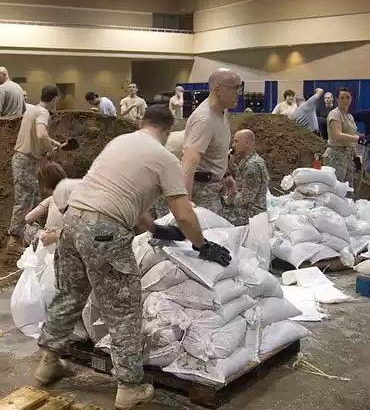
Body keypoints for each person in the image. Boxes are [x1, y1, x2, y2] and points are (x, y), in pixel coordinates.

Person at [34, 105, 231, 410]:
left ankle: (48, 362)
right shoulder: (165, 158)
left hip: (72, 221)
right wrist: (201, 244)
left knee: (70, 295)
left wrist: (153, 228)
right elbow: (184, 213)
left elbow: (115, 194)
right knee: (123, 307)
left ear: (143, 123)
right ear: (167, 131)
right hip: (104, 232)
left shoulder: (120, 143)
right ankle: (129, 386)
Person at [7, 85, 61, 256]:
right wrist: (50, 151)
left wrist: (52, 143)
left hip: (25, 160)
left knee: (34, 198)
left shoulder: (32, 109)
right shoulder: (44, 113)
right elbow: (40, 134)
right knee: (24, 201)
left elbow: (39, 135)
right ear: (54, 99)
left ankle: (31, 239)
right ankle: (14, 241)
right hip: (26, 161)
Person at [182, 68, 241, 215]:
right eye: (235, 88)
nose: (239, 93)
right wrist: (185, 204)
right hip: (201, 191)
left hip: (213, 186)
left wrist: (226, 175)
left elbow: (217, 151)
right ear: (217, 89)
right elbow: (189, 164)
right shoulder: (204, 120)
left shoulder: (221, 112)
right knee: (208, 235)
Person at [323, 87, 370, 185]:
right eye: (342, 97)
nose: (345, 100)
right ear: (337, 99)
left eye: (348, 97)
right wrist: (359, 139)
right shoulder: (335, 114)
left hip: (348, 157)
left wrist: (356, 158)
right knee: (336, 188)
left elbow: (351, 138)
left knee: (348, 189)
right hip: (336, 156)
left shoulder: (349, 117)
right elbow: (337, 135)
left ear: (351, 99)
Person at [222, 130, 269, 225]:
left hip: (250, 213)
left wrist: (229, 200)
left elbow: (247, 197)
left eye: (236, 141)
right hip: (247, 208)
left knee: (216, 213)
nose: (233, 145)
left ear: (246, 143)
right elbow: (240, 181)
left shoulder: (252, 165)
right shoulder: (248, 161)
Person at [24, 161, 67, 247]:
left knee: (27, 227)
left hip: (48, 240)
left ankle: (29, 249)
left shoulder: (51, 199)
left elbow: (28, 218)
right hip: (67, 238)